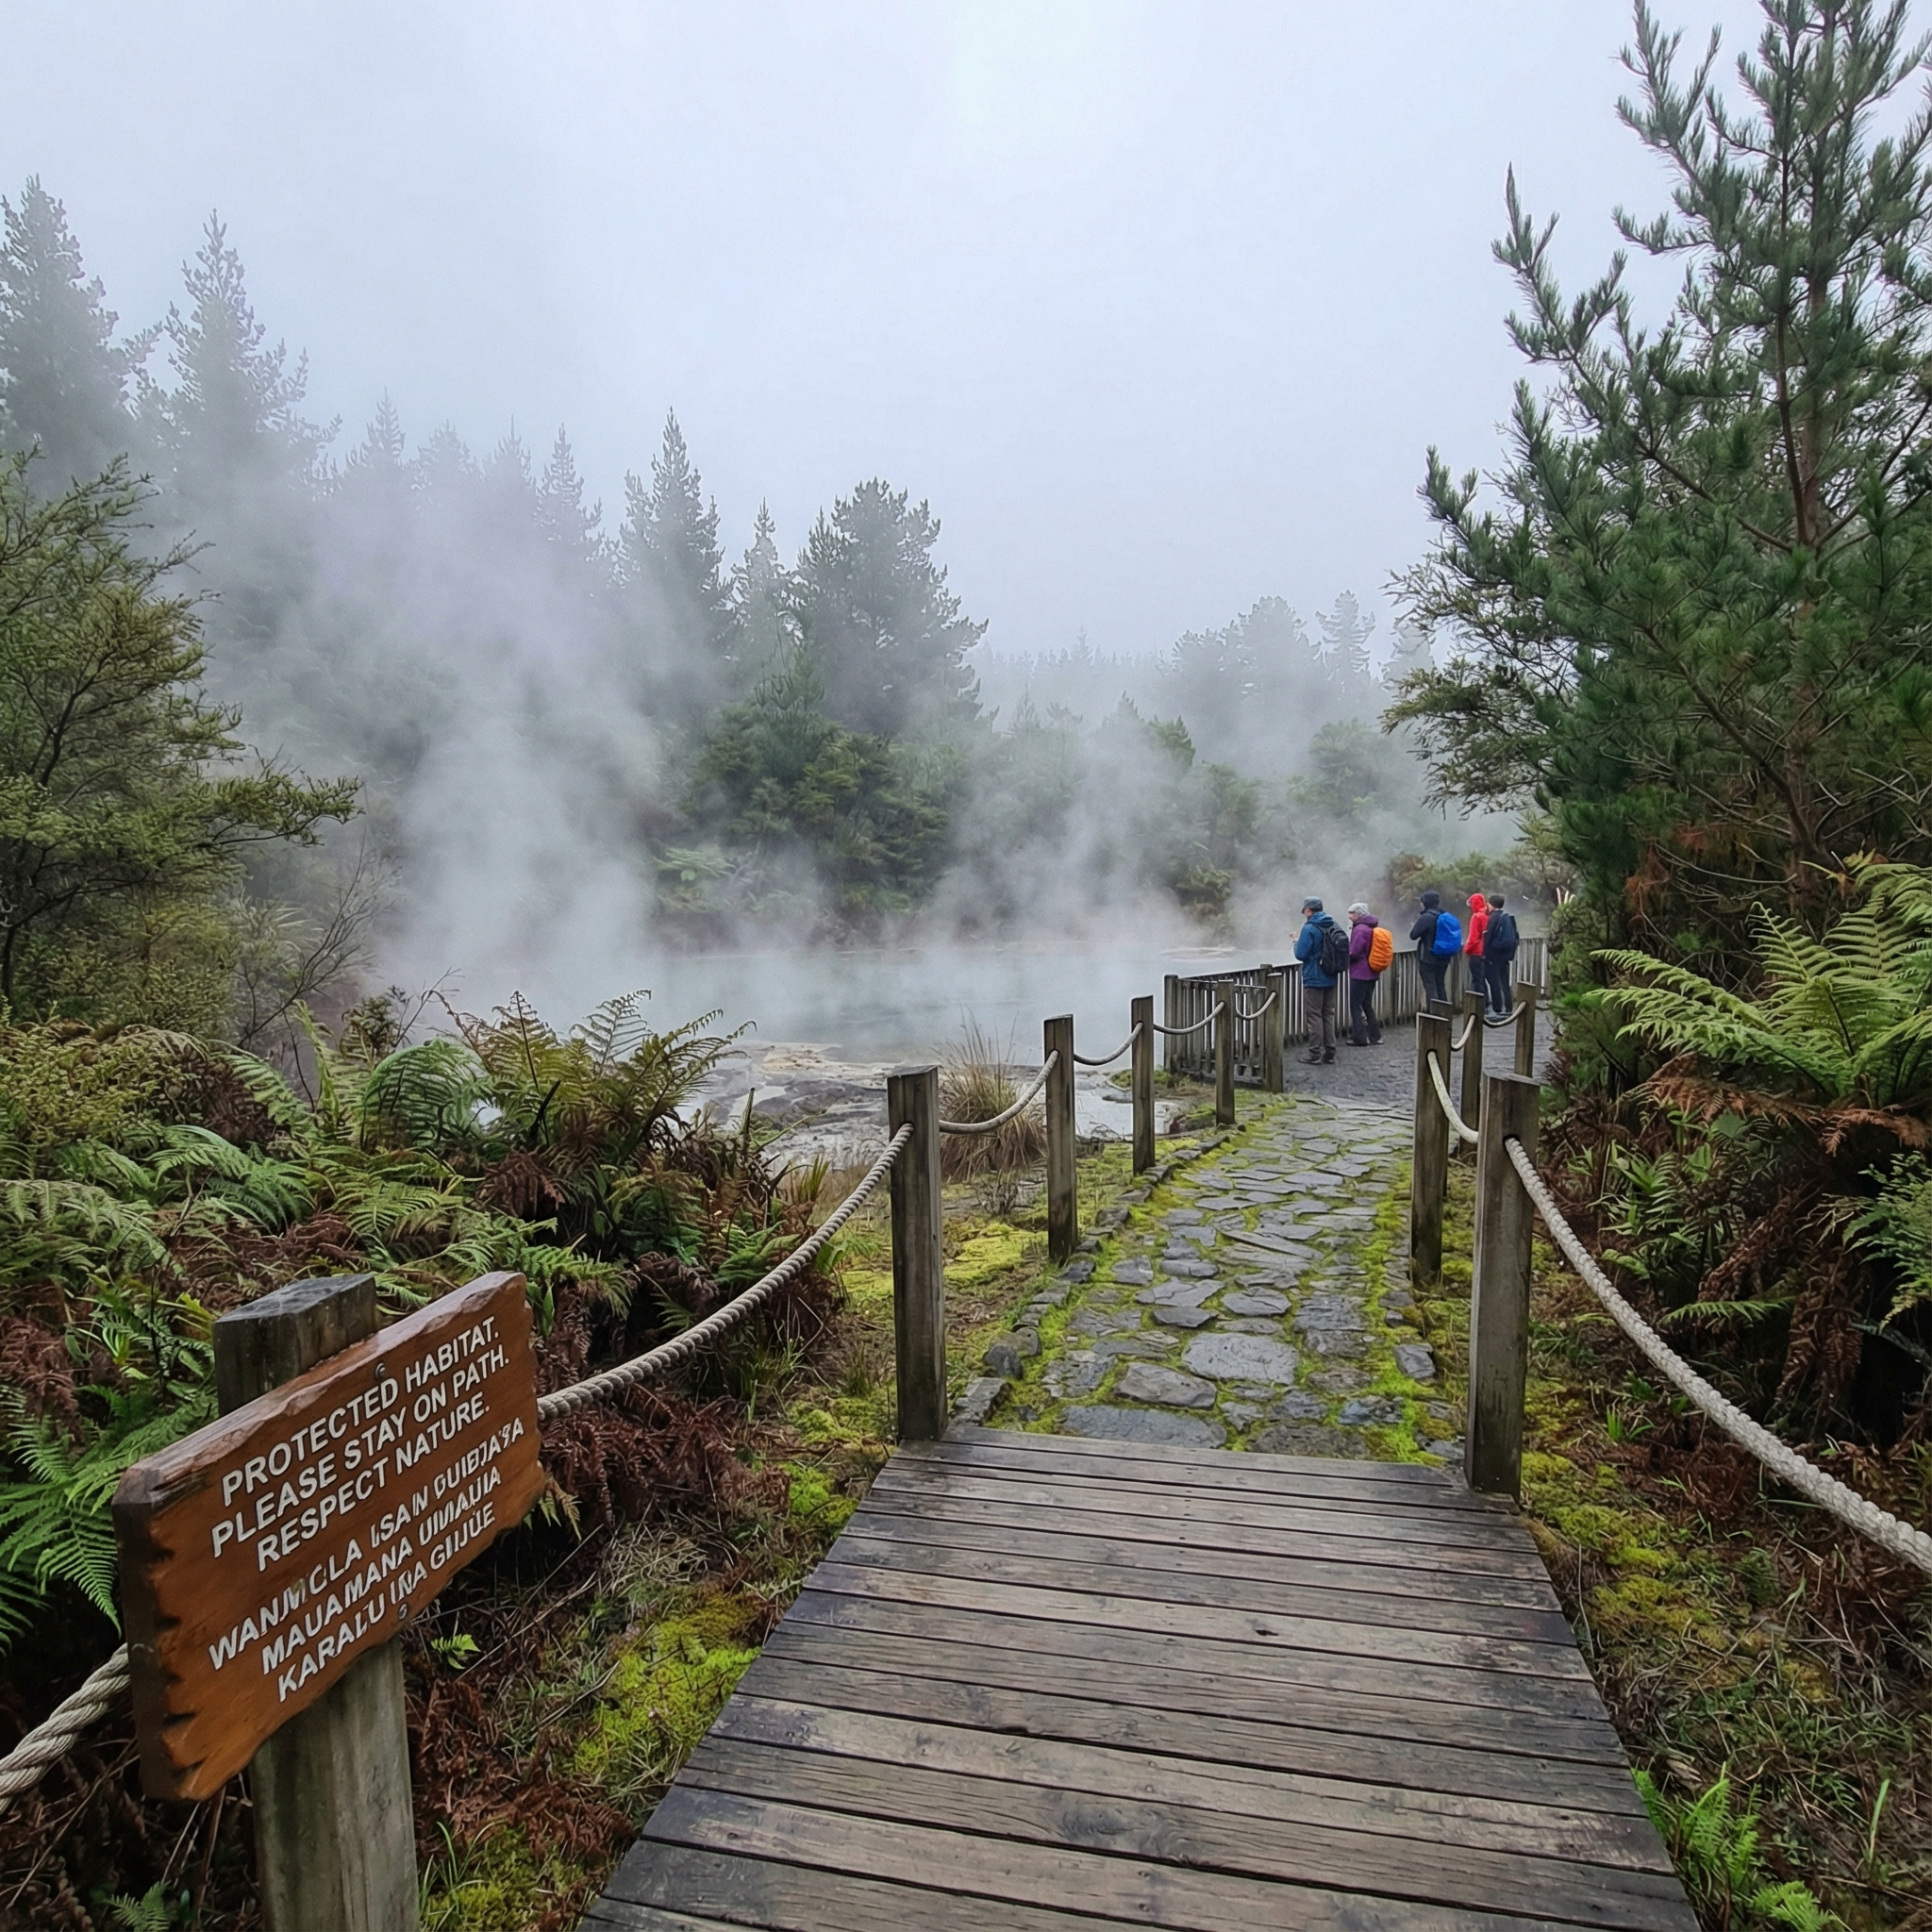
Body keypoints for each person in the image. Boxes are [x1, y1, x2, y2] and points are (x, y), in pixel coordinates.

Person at [1293, 895, 1344, 1063]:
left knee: (1314, 1016)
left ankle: (1314, 1053)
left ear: (1308, 910)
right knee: (1328, 1014)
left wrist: (1295, 942)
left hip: (1314, 977)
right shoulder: (1332, 924)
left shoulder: (1309, 928)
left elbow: (1301, 954)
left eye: (1305, 911)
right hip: (1330, 975)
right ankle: (1330, 1053)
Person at [1344, 902, 1386, 1046]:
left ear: (1360, 913)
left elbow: (1354, 952)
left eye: (1352, 913)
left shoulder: (1360, 929)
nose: (1350, 916)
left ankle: (1360, 1038)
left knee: (1355, 1005)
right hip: (1372, 973)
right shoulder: (1371, 927)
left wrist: (1343, 957)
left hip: (1359, 973)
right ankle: (1375, 1035)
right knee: (1367, 1004)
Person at [1409, 890, 1454, 1008]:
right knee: (1440, 985)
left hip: (1428, 958)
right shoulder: (1444, 915)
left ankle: (1434, 1016)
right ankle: (1445, 1015)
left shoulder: (1427, 917)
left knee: (1430, 986)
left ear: (1425, 902)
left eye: (1422, 901)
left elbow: (1413, 935)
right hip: (1444, 957)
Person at [1483, 893, 1520, 1014]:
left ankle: (1497, 1008)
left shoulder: (1494, 917)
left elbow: (1488, 936)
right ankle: (1509, 1007)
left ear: (1492, 905)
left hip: (1494, 955)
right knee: (1504, 982)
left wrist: (1485, 951)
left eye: (1488, 904)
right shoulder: (1507, 916)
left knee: (1494, 982)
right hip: (1505, 956)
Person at [1465, 892, 1491, 1008]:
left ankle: (1480, 1006)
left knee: (1477, 980)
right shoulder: (1488, 915)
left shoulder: (1476, 917)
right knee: (1483, 978)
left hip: (1476, 952)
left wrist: (1467, 949)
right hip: (1486, 952)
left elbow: (1473, 937)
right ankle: (1487, 1002)